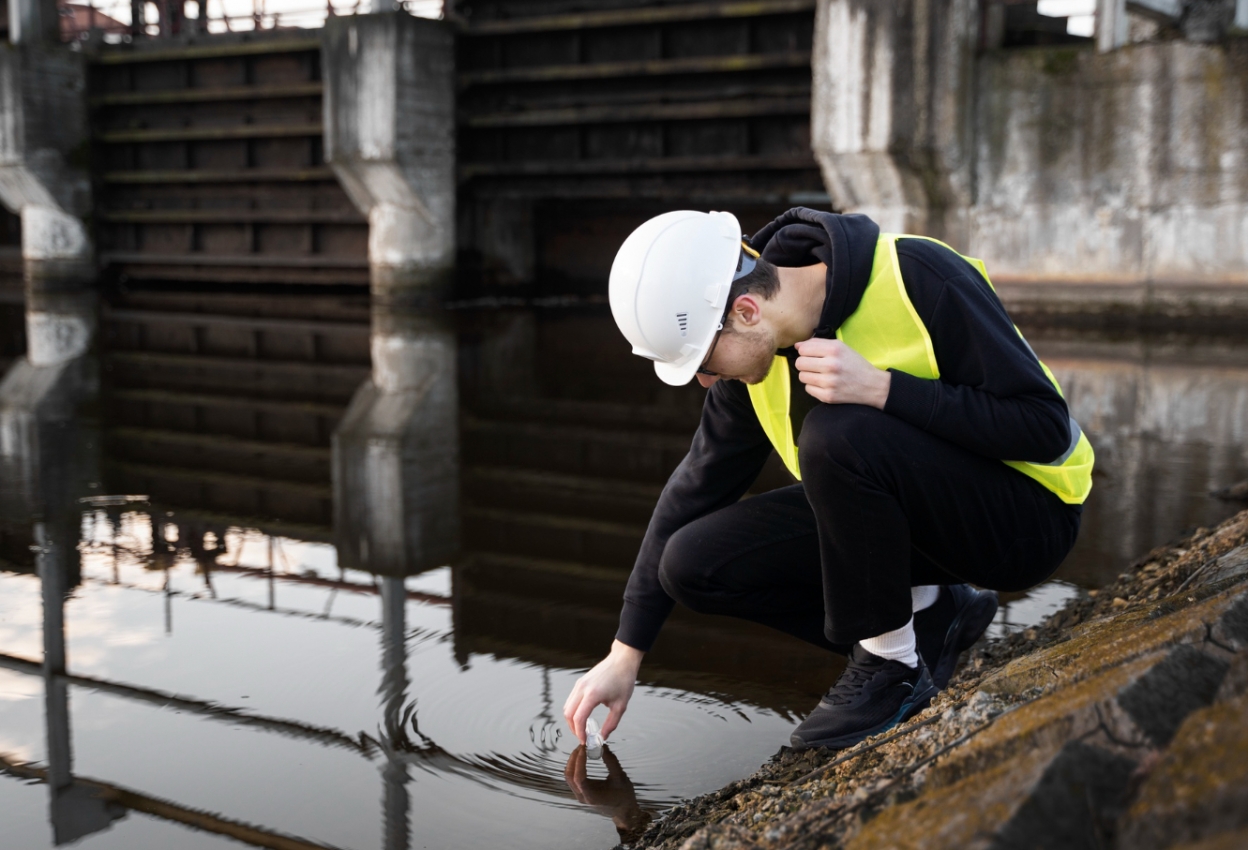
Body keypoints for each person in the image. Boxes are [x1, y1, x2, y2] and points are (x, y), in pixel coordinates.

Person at [562, 208, 1092, 751]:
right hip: (927, 532)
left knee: (836, 433)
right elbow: (695, 487)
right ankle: (932, 615)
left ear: (745, 310)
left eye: (702, 359)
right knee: (692, 564)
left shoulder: (919, 274)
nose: (703, 379)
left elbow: (1044, 427)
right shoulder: (755, 359)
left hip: (1027, 520)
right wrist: (625, 653)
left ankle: (891, 670)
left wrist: (886, 390)